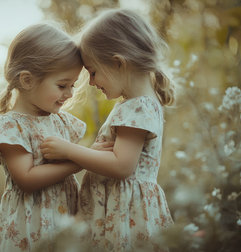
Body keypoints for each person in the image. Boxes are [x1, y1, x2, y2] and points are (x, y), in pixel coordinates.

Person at [40, 9, 175, 251]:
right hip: (118, 211)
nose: (91, 82)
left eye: (92, 72)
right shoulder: (139, 103)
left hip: (124, 215)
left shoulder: (137, 107)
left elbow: (122, 166)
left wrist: (70, 151)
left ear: (118, 63)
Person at [0, 23, 86, 251]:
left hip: (64, 218)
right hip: (30, 225)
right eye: (62, 85)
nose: (69, 94)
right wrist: (77, 162)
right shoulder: (13, 125)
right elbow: (27, 179)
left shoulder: (61, 121)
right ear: (27, 80)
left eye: (72, 85)